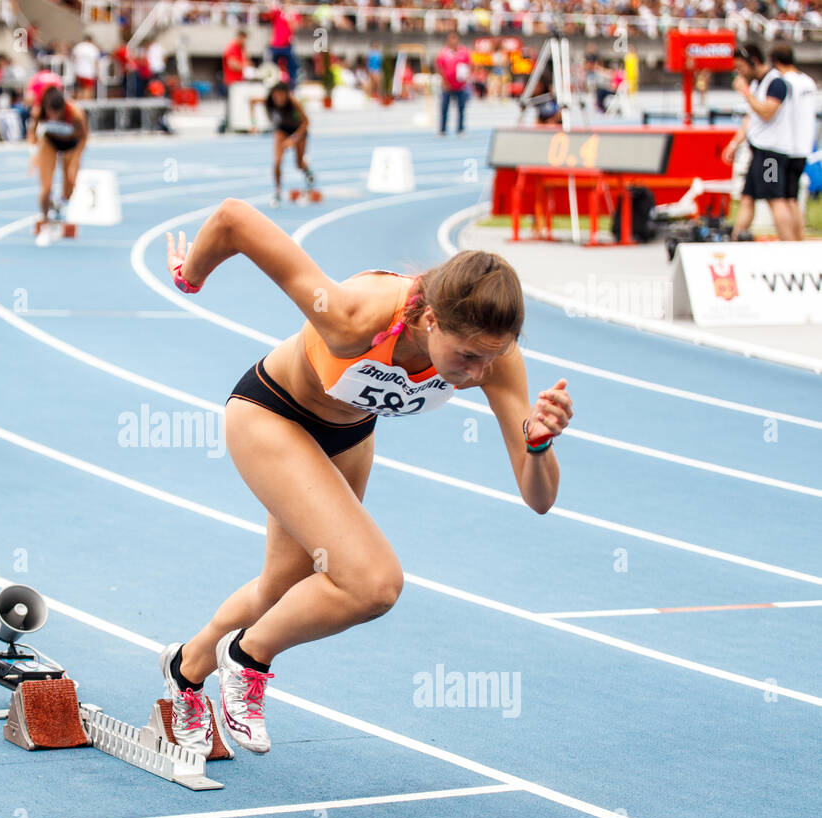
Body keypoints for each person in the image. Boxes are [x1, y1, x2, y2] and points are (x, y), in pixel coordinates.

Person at [158, 204, 572, 757]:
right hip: (272, 414)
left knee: (281, 593)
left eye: (490, 359)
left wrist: (539, 444)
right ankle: (248, 659)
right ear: (429, 320)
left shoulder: (495, 358)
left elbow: (537, 497)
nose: (477, 374)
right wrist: (192, 274)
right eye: (467, 357)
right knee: (374, 583)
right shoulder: (355, 316)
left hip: (347, 437)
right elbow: (234, 220)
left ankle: (185, 672)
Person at [722, 43, 798, 241]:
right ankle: (735, 241)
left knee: (775, 199)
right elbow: (751, 119)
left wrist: (746, 93)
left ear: (753, 61)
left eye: (741, 67)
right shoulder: (757, 84)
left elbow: (766, 113)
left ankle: (790, 246)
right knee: (747, 198)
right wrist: (734, 143)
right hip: (758, 151)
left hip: (771, 152)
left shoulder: (776, 83)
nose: (738, 72)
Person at [27, 84, 88, 242]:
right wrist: (34, 156)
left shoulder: (75, 113)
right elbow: (32, 136)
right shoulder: (39, 112)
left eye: (57, 114)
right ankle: (46, 217)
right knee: (45, 187)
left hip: (71, 145)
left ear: (62, 109)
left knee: (71, 182)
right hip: (50, 143)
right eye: (50, 114)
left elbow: (84, 138)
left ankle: (61, 202)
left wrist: (75, 162)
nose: (53, 117)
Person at [769, 42, 816, 241]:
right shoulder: (808, 81)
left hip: (784, 148)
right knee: (792, 198)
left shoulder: (782, 82)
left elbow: (775, 112)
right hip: (804, 146)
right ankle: (799, 240)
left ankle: (788, 241)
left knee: (777, 198)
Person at [251, 82, 315, 207]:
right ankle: (278, 191)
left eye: (282, 95)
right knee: (277, 161)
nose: (279, 98)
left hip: (298, 131)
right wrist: (253, 123)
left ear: (287, 95)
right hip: (282, 130)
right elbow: (252, 101)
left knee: (299, 164)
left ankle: (307, 171)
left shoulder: (294, 103)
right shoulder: (269, 101)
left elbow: (306, 122)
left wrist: (294, 139)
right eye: (276, 95)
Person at [435, 32, 471, 135]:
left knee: (461, 108)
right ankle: (442, 129)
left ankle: (460, 129)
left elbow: (468, 65)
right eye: (451, 39)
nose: (453, 41)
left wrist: (466, 77)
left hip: (460, 85)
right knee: (444, 108)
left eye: (455, 39)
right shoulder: (443, 53)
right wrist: (444, 82)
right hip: (447, 86)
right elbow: (439, 67)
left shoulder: (463, 52)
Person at [268, 2, 298, 88]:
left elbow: (295, 28)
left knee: (291, 67)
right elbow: (270, 17)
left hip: (287, 45)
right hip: (276, 45)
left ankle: (292, 87)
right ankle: (272, 86)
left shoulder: (293, 13)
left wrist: (289, 17)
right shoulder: (278, 12)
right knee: (273, 68)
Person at [72, 34, 101, 100]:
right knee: (88, 90)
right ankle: (86, 106)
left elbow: (74, 60)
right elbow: (96, 62)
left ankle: (79, 105)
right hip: (89, 73)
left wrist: (74, 70)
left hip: (79, 72)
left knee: (80, 89)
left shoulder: (78, 47)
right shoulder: (93, 48)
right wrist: (98, 73)